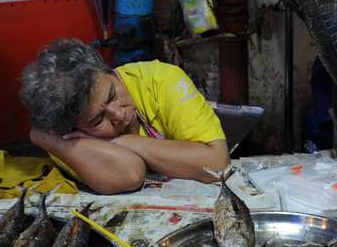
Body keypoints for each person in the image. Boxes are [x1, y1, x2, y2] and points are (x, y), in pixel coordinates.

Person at [19, 37, 230, 194]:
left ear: (111, 72)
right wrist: (46, 139)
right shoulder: (65, 132)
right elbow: (131, 174)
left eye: (113, 95)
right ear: (73, 129)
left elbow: (218, 164)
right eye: (97, 120)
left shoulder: (163, 80)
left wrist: (120, 139)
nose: (119, 115)